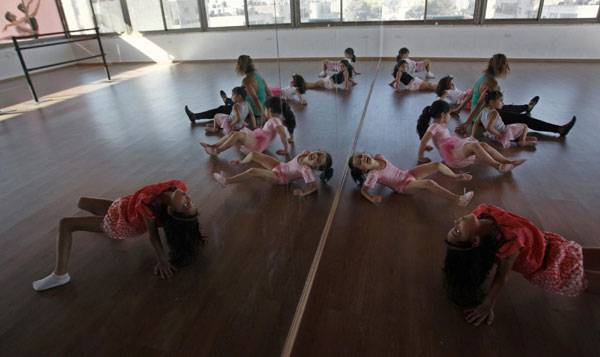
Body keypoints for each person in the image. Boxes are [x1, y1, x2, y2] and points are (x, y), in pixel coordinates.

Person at [32, 180, 206, 291]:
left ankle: (60, 275)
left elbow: (153, 237)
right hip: (123, 206)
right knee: (82, 202)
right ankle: (103, 227)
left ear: (170, 210)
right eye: (192, 203)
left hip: (121, 223)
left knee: (65, 223)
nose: (188, 198)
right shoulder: (179, 187)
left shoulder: (149, 206)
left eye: (185, 205)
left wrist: (162, 260)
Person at [444, 203, 600, 326]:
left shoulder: (483, 210)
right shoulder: (508, 242)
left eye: (454, 227)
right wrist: (487, 305)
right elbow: (501, 277)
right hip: (549, 268)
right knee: (588, 280)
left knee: (584, 254)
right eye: (457, 231)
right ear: (475, 240)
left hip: (552, 245)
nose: (456, 221)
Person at [455, 53, 576, 137]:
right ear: (502, 68)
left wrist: (459, 109)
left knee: (507, 107)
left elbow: (471, 94)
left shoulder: (483, 76)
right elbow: (479, 104)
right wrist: (467, 123)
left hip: (484, 112)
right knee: (524, 120)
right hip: (485, 117)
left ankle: (527, 107)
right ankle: (559, 129)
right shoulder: (491, 83)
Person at [417, 100, 526, 173]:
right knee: (475, 146)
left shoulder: (439, 124)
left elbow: (428, 140)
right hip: (452, 154)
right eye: (449, 114)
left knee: (482, 144)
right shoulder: (434, 126)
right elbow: (424, 140)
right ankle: (498, 167)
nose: (450, 116)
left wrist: (426, 146)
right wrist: (420, 157)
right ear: (442, 114)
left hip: (454, 148)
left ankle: (508, 162)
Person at [348, 153, 474, 206]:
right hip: (403, 187)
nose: (362, 159)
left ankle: (456, 176)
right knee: (429, 183)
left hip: (406, 174)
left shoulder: (379, 156)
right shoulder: (372, 175)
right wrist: (372, 198)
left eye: (360, 156)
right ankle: (458, 199)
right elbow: (364, 190)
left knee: (436, 165)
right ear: (363, 170)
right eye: (360, 163)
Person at [213, 150, 333, 197]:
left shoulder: (306, 170)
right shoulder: (306, 152)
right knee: (254, 154)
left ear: (315, 167)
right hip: (280, 166)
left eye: (318, 160)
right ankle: (241, 162)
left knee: (253, 171)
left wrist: (302, 193)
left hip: (281, 178)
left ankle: (226, 181)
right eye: (319, 154)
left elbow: (315, 187)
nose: (316, 156)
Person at [200, 97, 295, 156]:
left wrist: (286, 150)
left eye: (265, 109)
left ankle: (217, 150)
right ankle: (213, 146)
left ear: (269, 109)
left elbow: (283, 135)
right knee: (234, 133)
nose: (264, 111)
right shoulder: (277, 119)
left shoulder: (275, 120)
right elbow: (285, 128)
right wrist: (291, 138)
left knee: (236, 135)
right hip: (258, 138)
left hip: (258, 142)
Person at [238, 55, 273, 123]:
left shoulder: (246, 81)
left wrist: (263, 115)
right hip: (262, 108)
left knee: (224, 110)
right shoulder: (258, 76)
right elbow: (269, 92)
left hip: (254, 112)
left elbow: (254, 98)